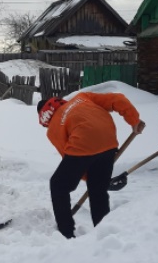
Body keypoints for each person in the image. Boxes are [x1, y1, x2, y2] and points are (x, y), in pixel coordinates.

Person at [36, 92, 146, 239]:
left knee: (58, 185)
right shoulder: (82, 97)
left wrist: (88, 175)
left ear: (44, 118)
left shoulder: (52, 130)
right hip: (109, 142)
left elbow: (69, 156)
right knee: (98, 192)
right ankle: (104, 235)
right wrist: (134, 120)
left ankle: (66, 234)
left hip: (83, 145)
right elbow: (117, 99)